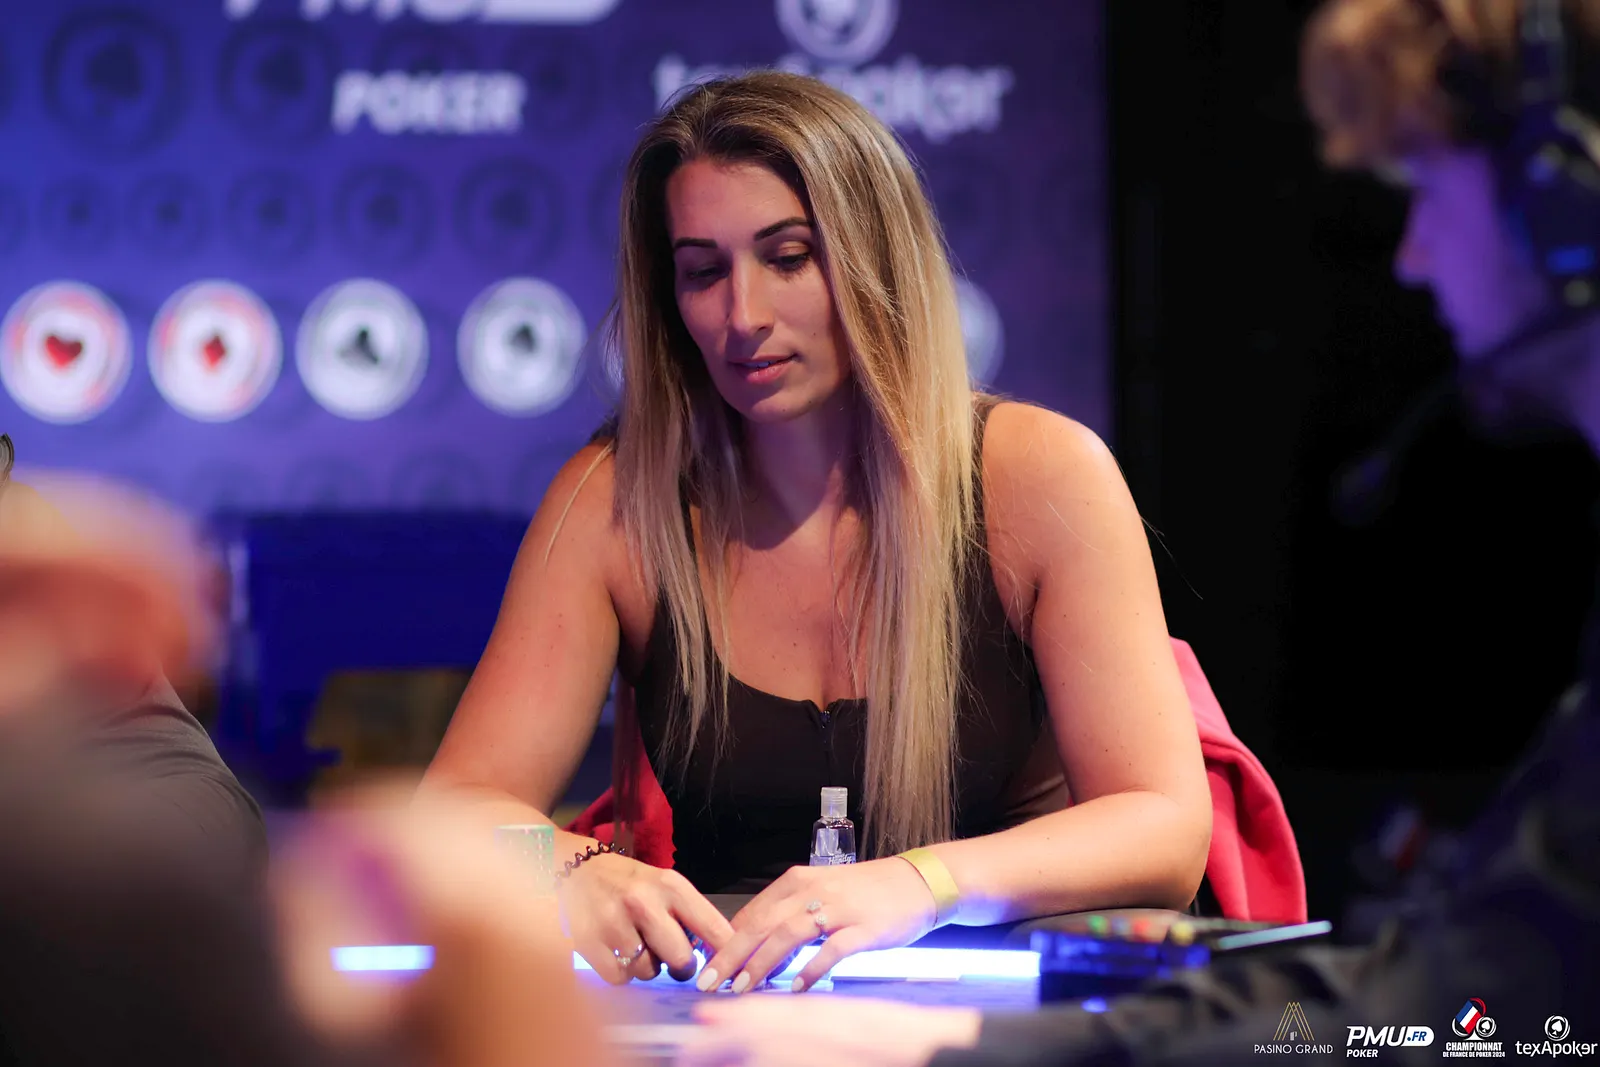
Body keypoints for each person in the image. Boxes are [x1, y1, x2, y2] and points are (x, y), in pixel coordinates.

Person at [672, 1, 1600, 1064]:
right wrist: (969, 1039)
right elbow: (1469, 996)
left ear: (1563, 205)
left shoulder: (1038, 469)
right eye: (700, 271)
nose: (1413, 257)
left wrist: (959, 1049)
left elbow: (1487, 1014)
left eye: (1426, 190)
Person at [421, 70, 1215, 990]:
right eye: (703, 272)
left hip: (1007, 1007)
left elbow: (1163, 827)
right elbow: (450, 816)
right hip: (732, 1015)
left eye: (789, 257)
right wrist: (569, 868)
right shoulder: (616, 499)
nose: (743, 316)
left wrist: (923, 884)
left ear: (876, 259)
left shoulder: (1040, 475)